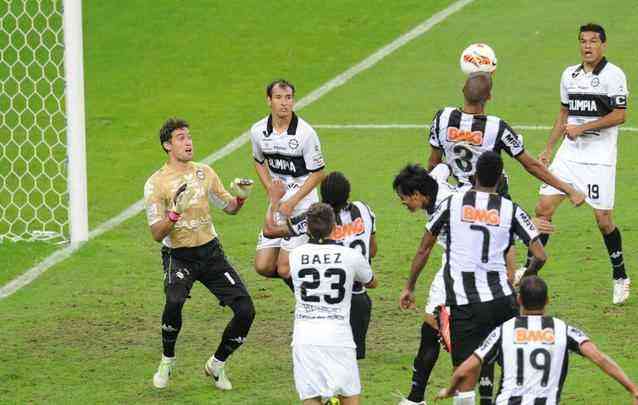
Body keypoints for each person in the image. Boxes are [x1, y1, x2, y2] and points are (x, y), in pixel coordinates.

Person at [399, 152, 547, 405]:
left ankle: (416, 398)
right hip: (501, 293)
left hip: (461, 285)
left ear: (475, 174)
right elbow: (539, 254)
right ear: (500, 178)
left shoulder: (452, 203)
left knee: (462, 361)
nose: (404, 204)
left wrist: (409, 286)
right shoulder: (508, 208)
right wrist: (521, 276)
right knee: (505, 355)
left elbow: (424, 248)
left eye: (404, 199)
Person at [144, 118, 255, 391]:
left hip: (210, 252)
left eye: (189, 136)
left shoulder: (204, 173)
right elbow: (157, 233)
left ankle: (217, 365)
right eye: (181, 137)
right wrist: (174, 214)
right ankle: (167, 360)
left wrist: (240, 198)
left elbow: (228, 208)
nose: (188, 142)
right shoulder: (156, 184)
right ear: (167, 145)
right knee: (174, 300)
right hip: (178, 255)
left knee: (246, 311)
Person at [530, 23, 630, 304]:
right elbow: (563, 114)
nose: (587, 46)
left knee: (603, 220)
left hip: (599, 158)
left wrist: (584, 128)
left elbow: (620, 115)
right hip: (569, 154)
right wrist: (549, 148)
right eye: (583, 41)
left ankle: (620, 275)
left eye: (593, 41)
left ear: (603, 45)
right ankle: (529, 271)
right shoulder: (569, 75)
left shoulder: (614, 76)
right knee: (543, 208)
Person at [437, 276, 638, 405]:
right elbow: (600, 359)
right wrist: (633, 388)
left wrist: (450, 389)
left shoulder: (503, 330)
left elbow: (466, 368)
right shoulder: (564, 330)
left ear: (519, 301)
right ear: (547, 300)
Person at [263, 172, 377, 360]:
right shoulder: (364, 209)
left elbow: (270, 230)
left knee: (323, 358)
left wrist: (274, 200)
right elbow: (372, 250)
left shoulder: (315, 219)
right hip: (358, 301)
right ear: (348, 193)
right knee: (350, 362)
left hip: (326, 305)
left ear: (322, 197)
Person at [427, 72, 585, 203]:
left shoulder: (442, 117)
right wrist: (569, 190)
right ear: (489, 96)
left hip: (460, 200)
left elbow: (434, 163)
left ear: (463, 90)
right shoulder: (497, 127)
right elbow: (532, 166)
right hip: (494, 201)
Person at [282, 203, 378, 404]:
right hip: (338, 337)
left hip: (305, 337)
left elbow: (281, 268)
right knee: (349, 395)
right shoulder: (351, 256)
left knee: (310, 396)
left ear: (307, 227)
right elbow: (372, 281)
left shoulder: (296, 255)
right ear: (335, 226)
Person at [251, 79, 326, 285]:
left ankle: (313, 294)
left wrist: (293, 201)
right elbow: (258, 161)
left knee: (285, 267)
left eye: (289, 98)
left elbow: (318, 173)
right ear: (269, 101)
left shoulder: (305, 133)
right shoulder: (258, 131)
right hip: (278, 202)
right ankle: (308, 274)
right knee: (264, 266)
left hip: (302, 204)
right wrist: (270, 190)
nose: (284, 103)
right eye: (278, 97)